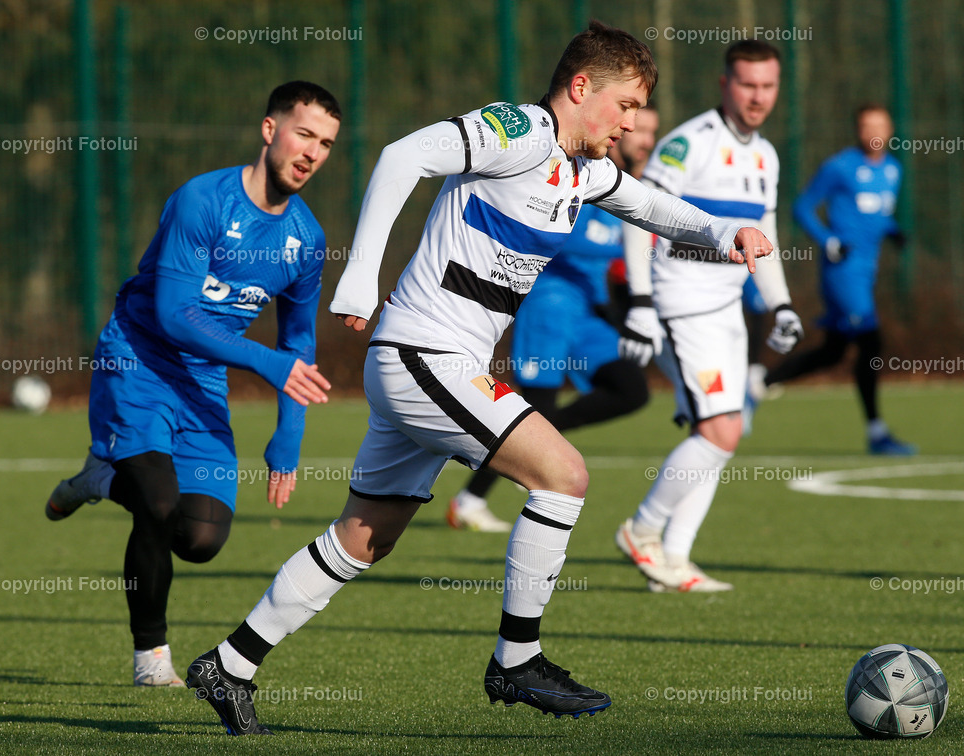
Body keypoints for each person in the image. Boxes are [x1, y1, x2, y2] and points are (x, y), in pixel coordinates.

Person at [185, 22, 775, 736]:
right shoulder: (523, 130)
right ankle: (516, 660)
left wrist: (724, 235)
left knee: (364, 537)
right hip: (421, 355)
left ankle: (231, 663)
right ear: (581, 88)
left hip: (439, 364)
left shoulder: (582, 168)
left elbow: (651, 207)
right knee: (563, 474)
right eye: (624, 106)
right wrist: (361, 277)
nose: (630, 124)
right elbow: (405, 157)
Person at [44, 82, 340, 686]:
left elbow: (298, 346)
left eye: (327, 144)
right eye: (304, 134)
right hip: (139, 358)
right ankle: (151, 658)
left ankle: (101, 476)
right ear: (269, 131)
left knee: (200, 537)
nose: (312, 152)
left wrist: (290, 435)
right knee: (155, 502)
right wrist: (264, 363)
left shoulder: (306, 241)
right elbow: (177, 313)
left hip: (202, 377)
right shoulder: (203, 201)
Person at [615, 40, 803, 593]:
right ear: (725, 84)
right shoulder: (688, 144)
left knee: (723, 430)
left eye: (768, 86)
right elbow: (638, 214)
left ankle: (673, 560)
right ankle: (641, 531)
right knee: (721, 429)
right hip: (681, 307)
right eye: (748, 84)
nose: (758, 96)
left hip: (726, 310)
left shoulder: (765, 156)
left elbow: (761, 234)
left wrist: (781, 304)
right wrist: (643, 302)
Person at [447, 104, 660, 532]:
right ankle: (469, 501)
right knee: (536, 404)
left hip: (592, 313)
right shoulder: (584, 174)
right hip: (550, 304)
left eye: (651, 131)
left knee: (631, 388)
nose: (644, 138)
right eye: (637, 129)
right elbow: (562, 239)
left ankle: (530, 444)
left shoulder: (634, 189)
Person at [755, 104, 915, 455]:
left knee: (833, 352)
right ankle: (877, 431)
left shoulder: (892, 169)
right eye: (866, 125)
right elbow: (802, 207)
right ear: (858, 130)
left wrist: (893, 230)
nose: (874, 132)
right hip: (843, 273)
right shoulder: (840, 167)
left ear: (890, 130)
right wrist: (828, 241)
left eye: (880, 125)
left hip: (866, 272)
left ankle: (760, 382)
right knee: (871, 343)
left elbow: (874, 215)